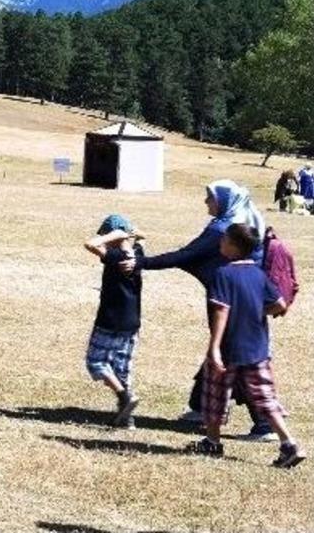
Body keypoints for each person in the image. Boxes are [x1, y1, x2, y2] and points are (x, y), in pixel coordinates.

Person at [134, 179, 270, 437]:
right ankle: (199, 406)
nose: (206, 202)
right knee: (226, 353)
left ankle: (264, 423)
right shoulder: (236, 224)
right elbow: (194, 258)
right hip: (241, 300)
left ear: (224, 200)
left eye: (210, 197)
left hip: (228, 302)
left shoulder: (224, 230)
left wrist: (141, 262)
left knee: (234, 356)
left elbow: (187, 255)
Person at [188, 222, 305, 468]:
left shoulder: (223, 273)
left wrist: (214, 347)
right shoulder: (258, 274)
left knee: (215, 395)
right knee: (265, 397)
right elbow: (281, 304)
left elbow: (221, 311)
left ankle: (212, 441)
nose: (220, 243)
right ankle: (289, 443)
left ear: (233, 246)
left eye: (224, 240)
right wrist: (257, 311)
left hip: (231, 347)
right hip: (257, 347)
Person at [83, 214, 144, 428]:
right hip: (132, 321)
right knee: (122, 368)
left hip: (110, 319)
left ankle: (124, 397)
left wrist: (114, 235)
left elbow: (90, 244)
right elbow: (142, 236)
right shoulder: (137, 253)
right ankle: (127, 419)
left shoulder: (114, 256)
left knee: (96, 362)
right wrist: (127, 234)